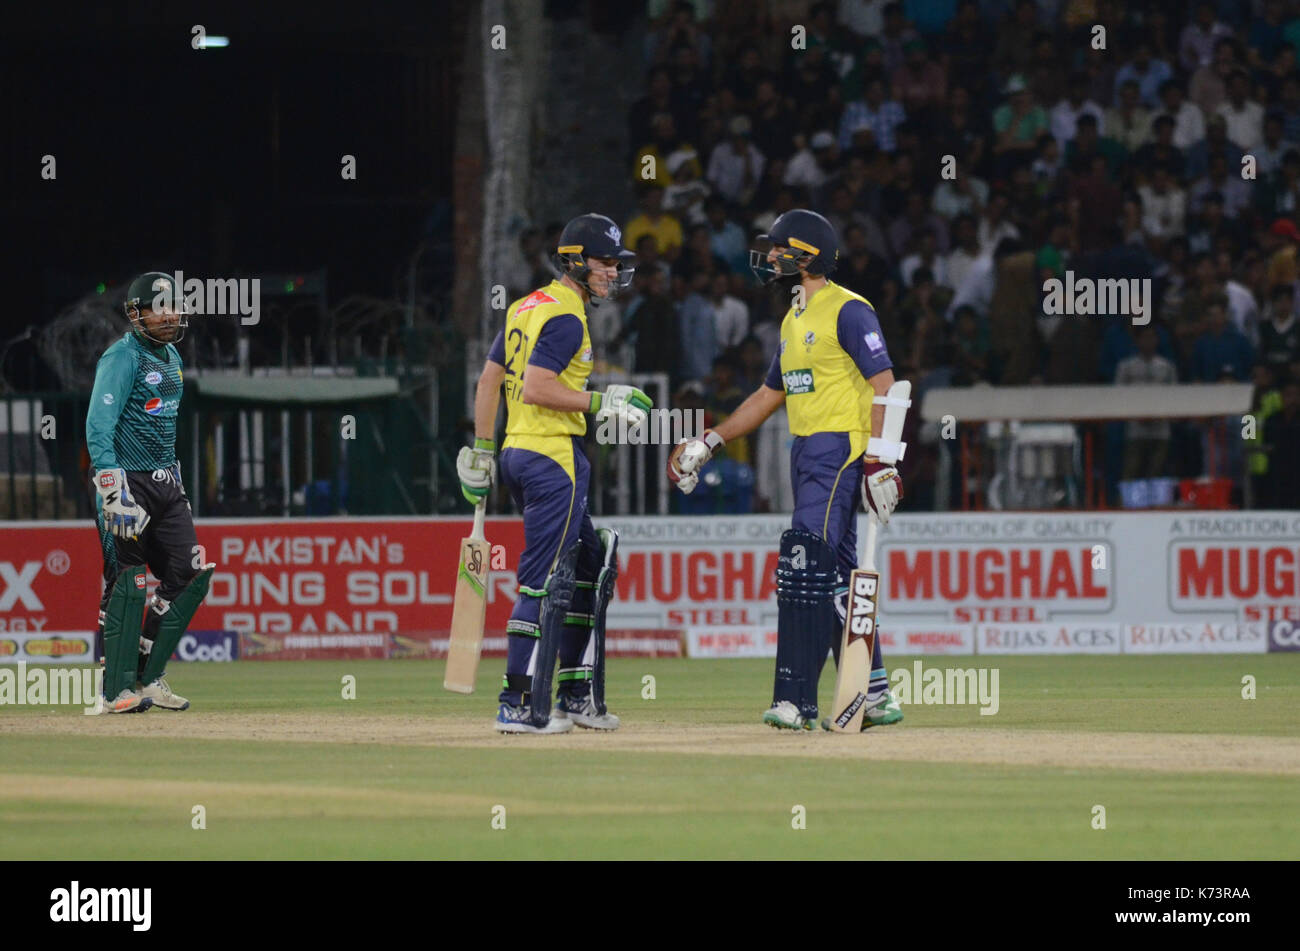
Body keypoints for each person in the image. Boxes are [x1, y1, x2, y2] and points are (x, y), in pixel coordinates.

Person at [667, 210, 906, 731]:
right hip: (806, 452)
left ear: (806, 255)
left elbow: (886, 384)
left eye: (779, 249)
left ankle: (796, 700)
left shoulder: (849, 310)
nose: (769, 257)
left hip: (840, 449)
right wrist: (711, 440)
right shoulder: (793, 318)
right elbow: (768, 395)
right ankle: (877, 693)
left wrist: (880, 461)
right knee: (838, 578)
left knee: (803, 563)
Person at [458, 214, 652, 734]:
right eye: (605, 263)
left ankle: (572, 694)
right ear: (576, 261)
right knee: (542, 580)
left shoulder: (527, 306)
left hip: (520, 455)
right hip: (552, 459)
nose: (613, 273)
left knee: (589, 565)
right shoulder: (566, 317)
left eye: (616, 264)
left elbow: (489, 380)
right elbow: (537, 388)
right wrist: (601, 399)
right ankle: (517, 703)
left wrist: (482, 450)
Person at [86, 272, 215, 715]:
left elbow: (165, 427)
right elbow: (98, 426)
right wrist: (110, 486)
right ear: (136, 314)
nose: (169, 314)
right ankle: (113, 691)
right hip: (126, 480)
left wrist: (175, 477)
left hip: (164, 482)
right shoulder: (122, 358)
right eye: (159, 307)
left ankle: (147, 675)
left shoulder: (173, 355)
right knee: (127, 583)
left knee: (189, 573)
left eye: (174, 305)